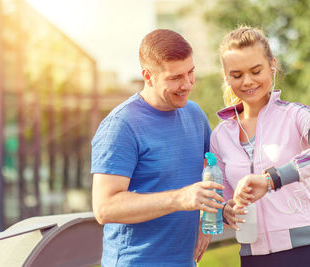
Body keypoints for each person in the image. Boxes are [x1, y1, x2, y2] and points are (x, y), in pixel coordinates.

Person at [211, 26, 310, 267]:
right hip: (253, 256)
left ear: (272, 65)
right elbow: (219, 194)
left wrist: (271, 179)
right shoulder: (220, 135)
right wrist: (225, 210)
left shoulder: (296, 115)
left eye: (256, 71)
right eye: (237, 75)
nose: (248, 81)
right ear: (226, 76)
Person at [91, 29, 224, 267]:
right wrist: (180, 198)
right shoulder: (121, 126)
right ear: (148, 76)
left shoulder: (194, 114)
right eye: (175, 78)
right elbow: (104, 208)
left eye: (190, 72)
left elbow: (211, 171)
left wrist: (207, 218)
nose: (187, 84)